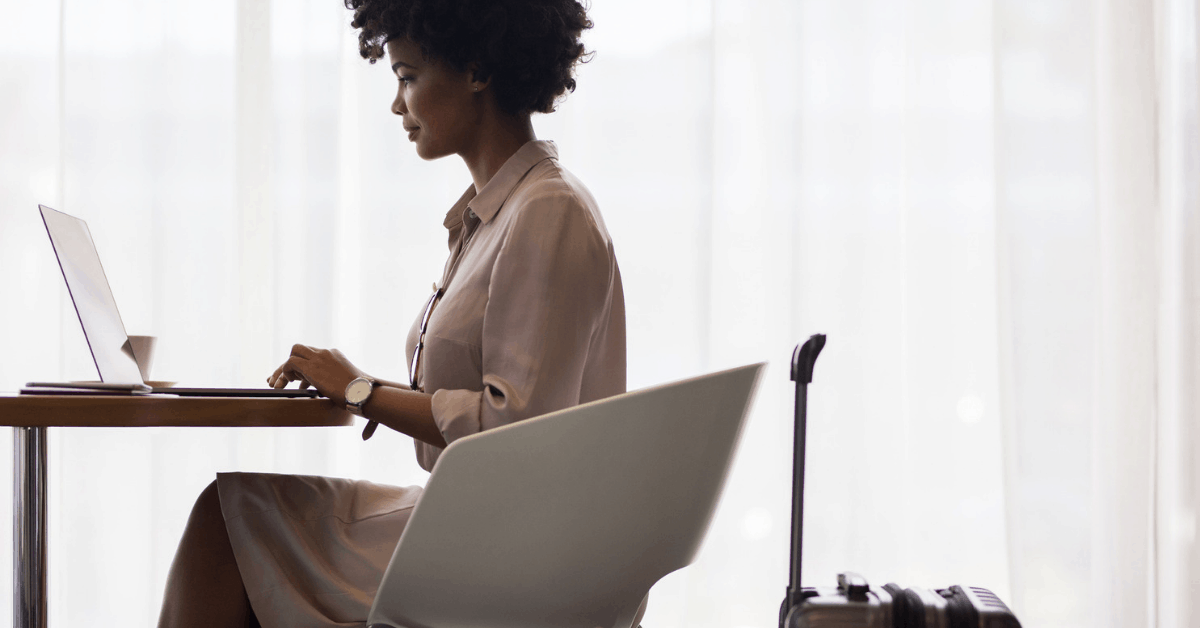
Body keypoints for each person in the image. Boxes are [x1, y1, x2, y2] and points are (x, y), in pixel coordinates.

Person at [156, 1, 628, 626]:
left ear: (477, 72)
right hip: (481, 521)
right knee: (230, 520)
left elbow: (519, 431)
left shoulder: (547, 211)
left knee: (229, 520)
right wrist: (361, 389)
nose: (396, 105)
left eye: (407, 77)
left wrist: (359, 389)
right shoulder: (498, 214)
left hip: (516, 549)